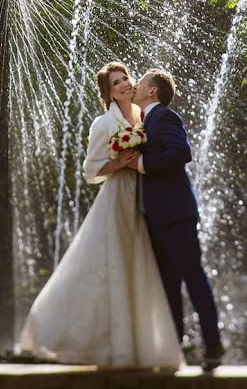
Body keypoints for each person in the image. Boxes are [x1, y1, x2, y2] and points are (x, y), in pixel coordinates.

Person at [19, 62, 183, 369]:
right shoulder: (103, 124)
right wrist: (121, 162)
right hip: (119, 199)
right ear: (107, 92)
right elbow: (91, 172)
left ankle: (140, 346)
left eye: (126, 78)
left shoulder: (144, 116)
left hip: (147, 199)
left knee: (141, 271)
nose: (123, 84)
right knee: (112, 268)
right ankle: (67, 331)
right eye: (115, 82)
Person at [126, 68, 225, 372]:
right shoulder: (142, 121)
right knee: (168, 284)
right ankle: (174, 347)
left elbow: (182, 152)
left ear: (152, 91)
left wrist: (142, 163)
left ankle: (213, 346)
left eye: (140, 82)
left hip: (176, 214)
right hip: (155, 217)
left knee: (193, 277)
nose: (135, 85)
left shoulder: (164, 117)